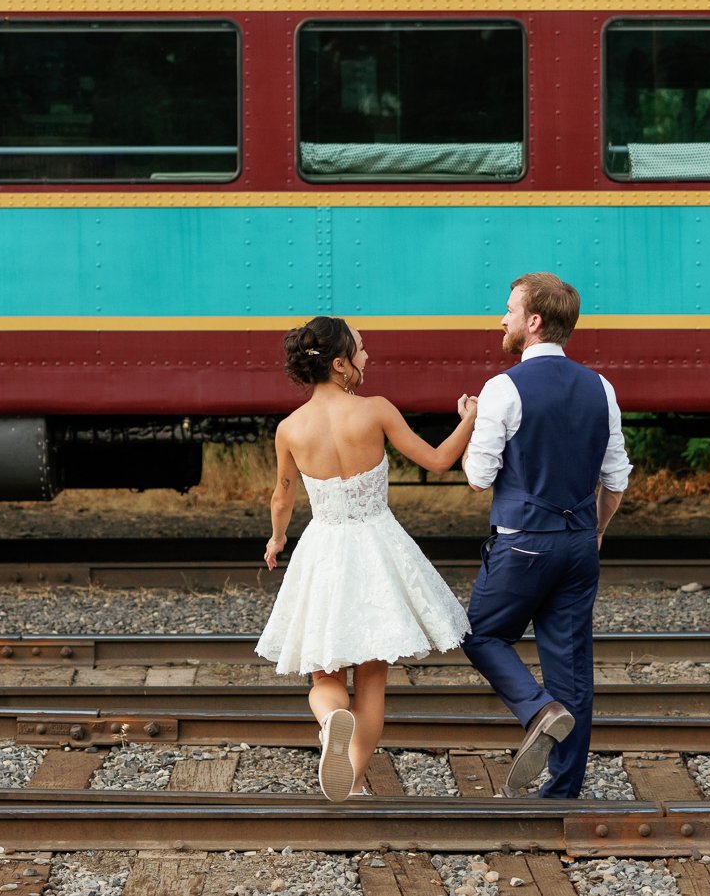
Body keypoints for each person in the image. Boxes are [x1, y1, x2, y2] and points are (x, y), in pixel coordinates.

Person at [255, 316, 480, 801]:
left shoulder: (290, 428)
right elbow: (439, 461)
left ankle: (331, 720)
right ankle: (353, 781)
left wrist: (277, 541)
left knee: (323, 673)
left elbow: (282, 496)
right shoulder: (376, 411)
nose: (367, 355)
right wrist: (470, 420)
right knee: (372, 677)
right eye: (360, 349)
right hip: (378, 548)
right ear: (339, 365)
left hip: (323, 551)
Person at [460, 272, 630, 798]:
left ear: (533, 323)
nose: (502, 318)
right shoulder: (600, 386)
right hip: (579, 544)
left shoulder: (502, 388)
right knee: (572, 667)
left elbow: (478, 477)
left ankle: (539, 710)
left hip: (522, 543)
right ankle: (563, 791)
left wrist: (471, 421)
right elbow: (616, 478)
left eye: (509, 310)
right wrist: (595, 531)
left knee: (481, 635)